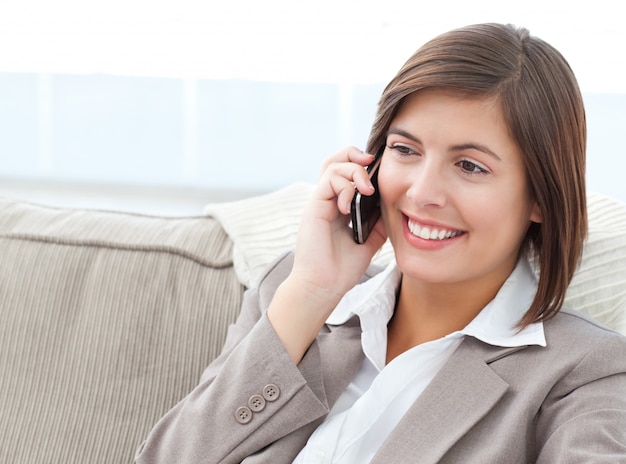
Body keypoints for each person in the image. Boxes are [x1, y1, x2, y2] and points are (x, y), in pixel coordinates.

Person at [135, 23, 626, 463]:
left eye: (470, 166)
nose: (421, 193)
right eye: (405, 150)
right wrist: (311, 292)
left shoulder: (586, 374)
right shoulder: (291, 295)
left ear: (540, 197)